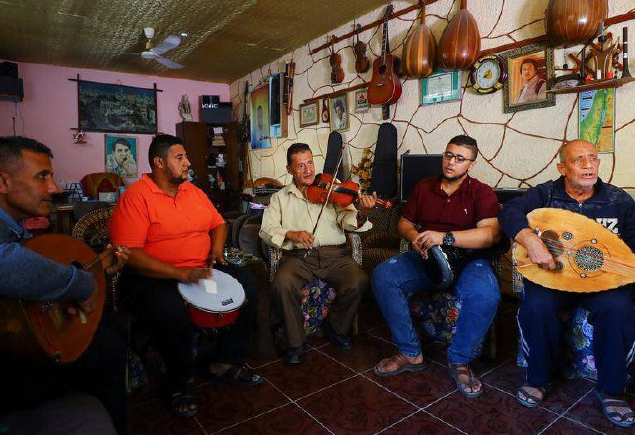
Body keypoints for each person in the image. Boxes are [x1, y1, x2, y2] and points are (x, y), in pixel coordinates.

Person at [498, 139, 635, 428]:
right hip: (554, 278)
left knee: (618, 309)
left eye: (593, 158)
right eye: (579, 160)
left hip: (603, 280)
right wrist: (531, 239)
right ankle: (539, 379)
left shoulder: (617, 199)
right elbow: (509, 211)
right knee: (537, 305)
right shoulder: (545, 194)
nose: (589, 164)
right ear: (562, 167)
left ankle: (612, 390)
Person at [0, 136, 129, 433]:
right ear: (1, 182)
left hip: (3, 350)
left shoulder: (3, 224)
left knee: (112, 326)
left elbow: (18, 283)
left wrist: (93, 272)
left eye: (51, 176)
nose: (54, 188)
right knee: (107, 346)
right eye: (42, 176)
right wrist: (80, 284)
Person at [109, 134, 261, 419]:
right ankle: (180, 381)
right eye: (179, 157)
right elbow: (129, 253)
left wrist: (215, 251)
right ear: (159, 163)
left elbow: (218, 224)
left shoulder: (194, 192)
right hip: (151, 275)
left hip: (199, 266)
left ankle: (225, 361)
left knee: (248, 285)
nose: (188, 163)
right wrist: (179, 273)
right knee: (170, 310)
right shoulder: (136, 197)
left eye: (186, 157)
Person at [371, 135, 502, 398]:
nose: (451, 162)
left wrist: (446, 237)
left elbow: (490, 235)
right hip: (427, 257)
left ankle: (460, 360)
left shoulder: (482, 191)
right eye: (448, 155)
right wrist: (415, 239)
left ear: (471, 164)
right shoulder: (423, 187)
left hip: (469, 260)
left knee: (486, 294)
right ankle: (410, 353)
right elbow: (404, 224)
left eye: (460, 159)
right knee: (383, 275)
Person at [259, 142, 376, 364]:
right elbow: (266, 230)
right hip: (300, 258)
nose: (308, 170)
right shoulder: (280, 198)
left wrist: (362, 212)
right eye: (301, 166)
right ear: (289, 169)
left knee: (358, 280)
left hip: (335, 256)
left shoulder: (332, 189)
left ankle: (336, 328)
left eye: (310, 163)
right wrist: (291, 234)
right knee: (283, 283)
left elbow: (349, 220)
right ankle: (296, 343)